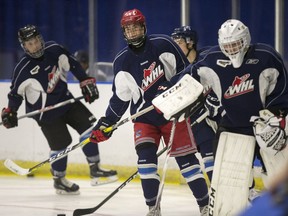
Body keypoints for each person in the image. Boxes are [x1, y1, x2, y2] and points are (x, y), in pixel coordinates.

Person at [89, 9, 210, 216]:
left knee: (187, 163)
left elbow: (187, 72)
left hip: (174, 113)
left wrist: (169, 87)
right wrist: (106, 122)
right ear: (123, 32)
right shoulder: (122, 61)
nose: (133, 32)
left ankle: (205, 205)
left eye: (136, 27)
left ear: (144, 28)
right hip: (144, 119)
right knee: (145, 162)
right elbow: (120, 98)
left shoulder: (164, 44)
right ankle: (153, 208)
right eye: (128, 29)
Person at [163, 19, 288, 215]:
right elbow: (187, 78)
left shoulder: (266, 57)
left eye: (236, 44)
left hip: (265, 126)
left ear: (245, 40)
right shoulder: (211, 59)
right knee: (228, 186)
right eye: (227, 45)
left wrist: (275, 116)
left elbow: (281, 90)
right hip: (232, 128)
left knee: (281, 177)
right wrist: (170, 96)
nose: (232, 49)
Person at [1, 24, 117, 195]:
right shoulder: (23, 69)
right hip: (45, 113)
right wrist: (10, 111)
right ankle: (60, 180)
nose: (34, 46)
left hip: (66, 100)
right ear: (24, 47)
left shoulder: (54, 49)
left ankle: (95, 169)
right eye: (29, 44)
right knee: (61, 144)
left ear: (40, 39)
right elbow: (15, 95)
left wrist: (84, 81)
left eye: (36, 41)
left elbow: (73, 64)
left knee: (90, 127)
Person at [171, 26, 217, 182]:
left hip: (218, 118)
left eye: (179, 42)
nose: (175, 46)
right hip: (196, 120)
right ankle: (215, 196)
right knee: (207, 158)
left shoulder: (208, 58)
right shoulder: (176, 68)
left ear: (190, 43)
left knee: (221, 159)